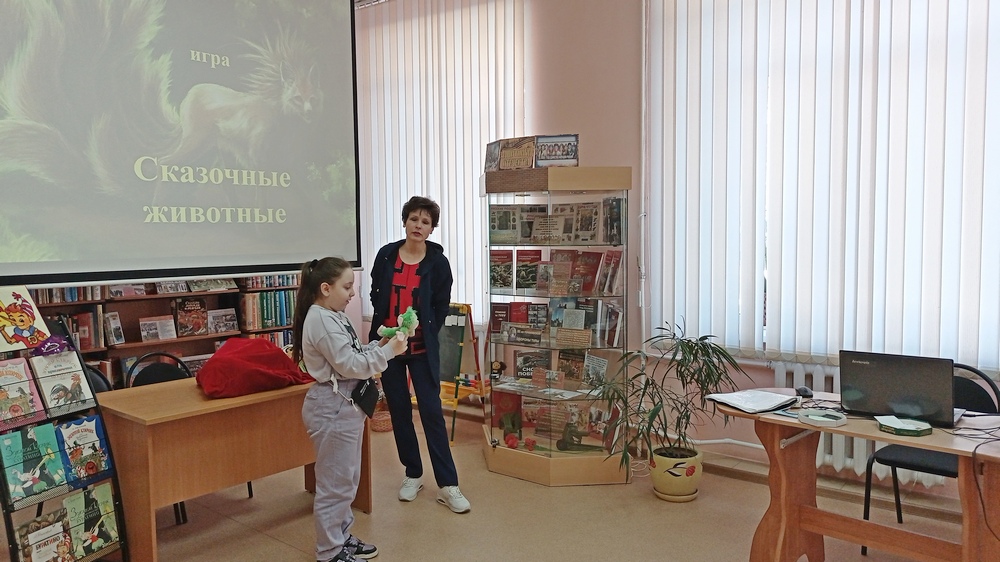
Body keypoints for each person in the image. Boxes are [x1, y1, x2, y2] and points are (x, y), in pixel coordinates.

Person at [293, 257, 407, 562]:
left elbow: (353, 354)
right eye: (347, 287)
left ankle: (341, 537)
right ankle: (329, 552)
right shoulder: (321, 320)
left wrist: (380, 344)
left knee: (345, 480)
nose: (352, 293)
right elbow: (350, 366)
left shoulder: (333, 315)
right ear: (325, 288)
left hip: (344, 406)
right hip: (332, 408)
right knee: (334, 484)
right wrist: (389, 352)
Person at [369, 195, 471, 514]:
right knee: (399, 410)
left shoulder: (438, 263)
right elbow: (375, 292)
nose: (418, 225)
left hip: (422, 350)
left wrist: (422, 329)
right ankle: (413, 473)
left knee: (431, 412)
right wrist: (390, 330)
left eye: (425, 221)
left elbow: (441, 305)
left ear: (431, 229)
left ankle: (448, 484)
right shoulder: (387, 255)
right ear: (405, 221)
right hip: (389, 348)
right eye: (414, 218)